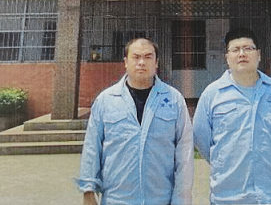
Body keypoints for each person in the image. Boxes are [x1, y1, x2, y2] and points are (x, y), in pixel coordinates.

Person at [77, 38, 194, 205]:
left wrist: (182, 200)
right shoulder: (106, 100)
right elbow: (92, 147)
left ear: (156, 62)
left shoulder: (174, 100)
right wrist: (88, 191)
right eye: (136, 57)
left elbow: (184, 154)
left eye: (148, 57)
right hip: (116, 200)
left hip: (160, 199)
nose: (141, 62)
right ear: (125, 62)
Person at [193, 28, 271, 204]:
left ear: (258, 55)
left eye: (248, 48)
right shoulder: (213, 94)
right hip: (228, 196)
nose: (242, 54)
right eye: (235, 49)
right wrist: (224, 161)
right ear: (227, 57)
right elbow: (201, 138)